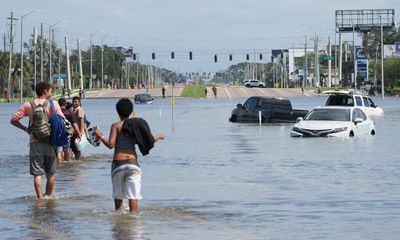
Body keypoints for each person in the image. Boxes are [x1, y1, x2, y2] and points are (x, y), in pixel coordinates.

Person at [94, 98, 165, 213]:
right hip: (133, 164)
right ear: (131, 111)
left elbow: (110, 145)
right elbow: (148, 141)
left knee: (118, 195)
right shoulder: (135, 126)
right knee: (133, 196)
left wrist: (100, 136)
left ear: (118, 112)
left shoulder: (116, 126)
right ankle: (133, 223)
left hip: (118, 164)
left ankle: (120, 224)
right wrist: (159, 136)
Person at [10, 82, 64, 199]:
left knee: (37, 174)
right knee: (50, 174)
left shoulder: (28, 105)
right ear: (45, 91)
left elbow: (13, 120)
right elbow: (62, 121)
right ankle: (48, 198)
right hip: (50, 143)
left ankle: (39, 200)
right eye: (50, 90)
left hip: (35, 142)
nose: (52, 92)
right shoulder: (54, 104)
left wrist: (26, 129)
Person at [57, 98, 81, 163]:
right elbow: (75, 124)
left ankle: (59, 164)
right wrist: (79, 133)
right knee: (66, 150)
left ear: (58, 104)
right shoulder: (69, 113)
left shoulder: (56, 112)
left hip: (57, 133)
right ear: (65, 104)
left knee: (59, 150)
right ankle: (66, 163)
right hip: (66, 134)